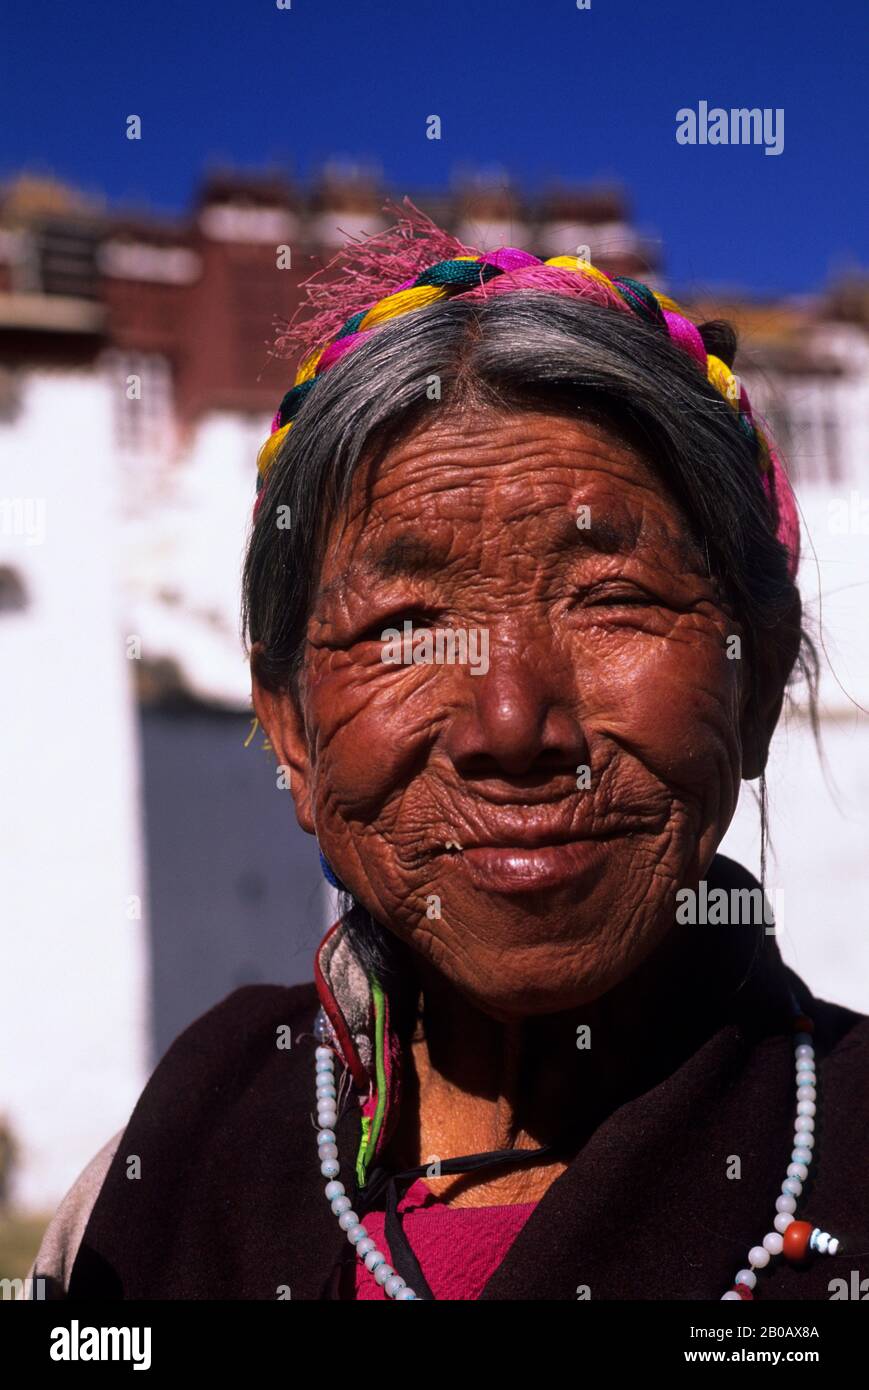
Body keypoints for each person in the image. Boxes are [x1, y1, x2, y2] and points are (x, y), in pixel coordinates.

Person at [30, 202, 869, 1300]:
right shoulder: (172, 1162)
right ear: (288, 722)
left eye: (611, 599)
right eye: (404, 628)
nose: (512, 726)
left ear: (752, 681)